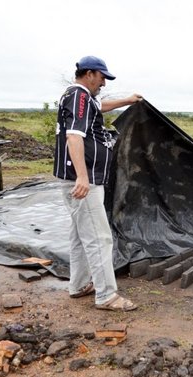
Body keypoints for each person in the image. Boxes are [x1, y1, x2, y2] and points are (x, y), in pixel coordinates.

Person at [53, 55, 143, 311]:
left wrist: (127, 100)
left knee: (80, 235)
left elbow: (99, 106)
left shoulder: (79, 96)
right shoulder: (79, 96)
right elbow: (73, 136)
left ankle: (79, 284)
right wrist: (83, 176)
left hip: (76, 178)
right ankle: (106, 296)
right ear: (90, 73)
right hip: (84, 181)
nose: (103, 83)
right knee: (100, 238)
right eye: (102, 77)